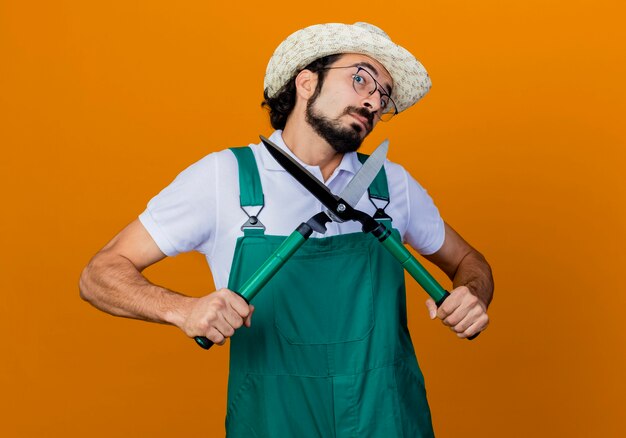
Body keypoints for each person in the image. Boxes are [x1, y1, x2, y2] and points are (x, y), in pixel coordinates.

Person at [80, 22, 493, 437]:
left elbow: (470, 262)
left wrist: (472, 295)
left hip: (387, 418)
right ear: (306, 82)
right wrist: (183, 310)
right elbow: (100, 274)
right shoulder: (223, 178)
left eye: (382, 95)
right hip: (274, 423)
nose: (372, 100)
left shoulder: (391, 184)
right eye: (361, 79)